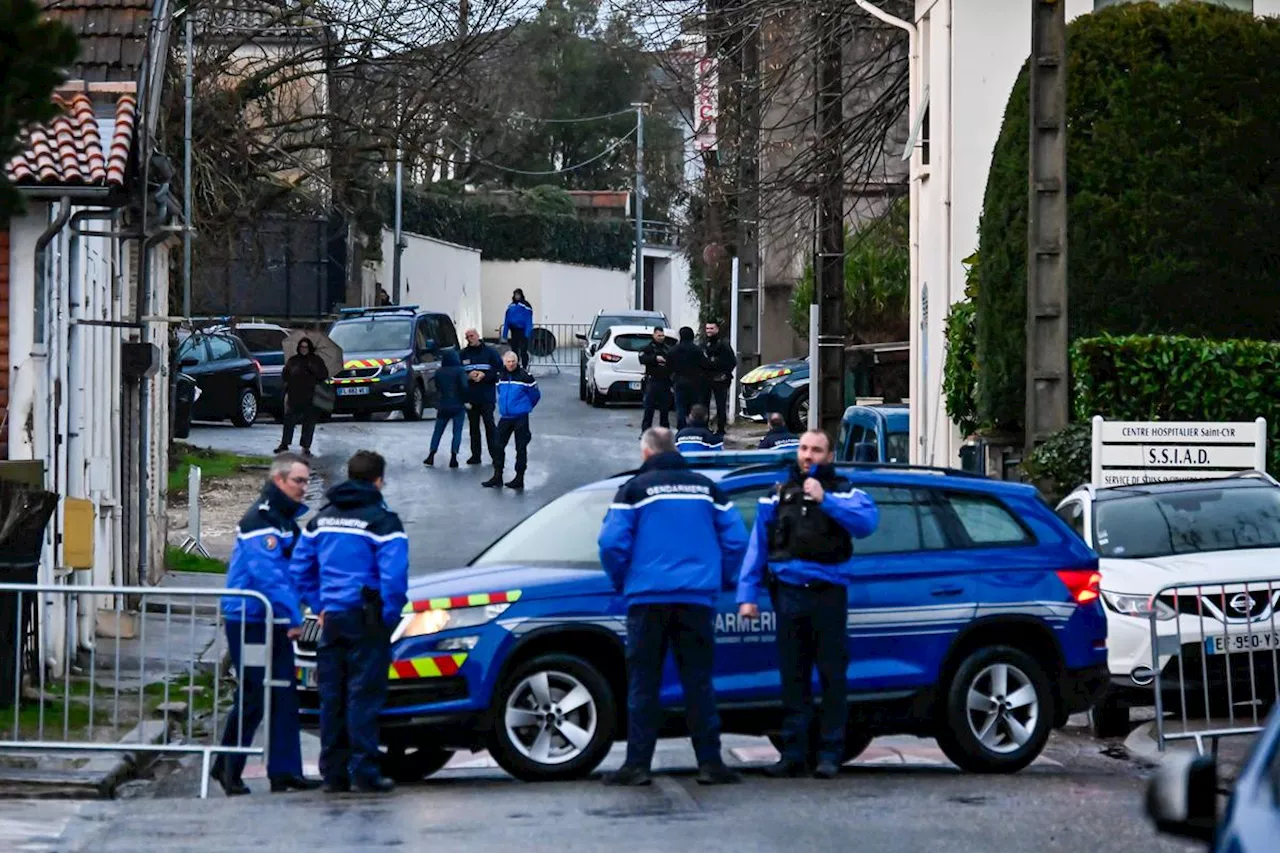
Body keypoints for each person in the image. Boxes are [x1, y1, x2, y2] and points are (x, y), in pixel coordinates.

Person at [598, 428, 749, 787]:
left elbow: (610, 543)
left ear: (647, 452)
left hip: (647, 599)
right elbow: (736, 541)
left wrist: (624, 580)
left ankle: (637, 765)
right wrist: (723, 579)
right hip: (696, 600)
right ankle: (710, 764)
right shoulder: (706, 488)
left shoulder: (634, 489)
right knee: (698, 682)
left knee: (644, 683)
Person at [737, 430, 879, 780]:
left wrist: (826, 500)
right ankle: (793, 754)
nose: (807, 455)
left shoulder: (845, 491)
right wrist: (746, 596)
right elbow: (758, 545)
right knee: (793, 678)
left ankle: (830, 754)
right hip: (788, 595)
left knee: (832, 677)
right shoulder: (777, 494)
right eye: (803, 448)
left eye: (816, 450)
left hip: (827, 595)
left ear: (829, 456)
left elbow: (867, 524)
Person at [290, 451, 408, 794]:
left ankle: (334, 774)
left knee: (333, 697)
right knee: (363, 696)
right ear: (378, 481)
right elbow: (395, 580)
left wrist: (320, 605)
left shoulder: (321, 519)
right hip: (366, 618)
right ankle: (366, 771)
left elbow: (300, 570)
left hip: (332, 620)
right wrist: (387, 618)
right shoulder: (383, 522)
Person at [213, 452, 320, 796]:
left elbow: (300, 572)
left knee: (285, 693)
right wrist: (293, 615)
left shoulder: (284, 520)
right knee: (255, 692)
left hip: (272, 618)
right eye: (299, 481)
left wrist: (320, 607)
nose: (305, 488)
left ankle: (285, 772)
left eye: (307, 481)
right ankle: (228, 767)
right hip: (251, 619)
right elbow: (268, 576)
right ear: (279, 480)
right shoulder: (261, 520)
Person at [483, 350, 541, 491]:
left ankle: (519, 477)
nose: (510, 364)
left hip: (520, 417)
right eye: (508, 362)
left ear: (517, 362)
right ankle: (498, 475)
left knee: (520, 447)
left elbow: (535, 395)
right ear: (504, 362)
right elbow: (500, 392)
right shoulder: (500, 376)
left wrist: (525, 407)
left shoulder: (525, 377)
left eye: (513, 362)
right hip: (505, 417)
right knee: (498, 445)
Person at [276, 337, 329, 456]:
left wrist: (313, 369)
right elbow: (285, 375)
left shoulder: (316, 360)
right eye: (301, 347)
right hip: (294, 395)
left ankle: (306, 447)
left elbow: (323, 375)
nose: (303, 349)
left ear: (310, 348)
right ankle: (284, 443)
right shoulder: (293, 360)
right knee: (289, 420)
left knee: (309, 423)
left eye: (306, 347)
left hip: (311, 396)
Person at [459, 328, 502, 465]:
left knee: (490, 426)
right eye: (467, 337)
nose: (469, 339)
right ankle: (475, 455)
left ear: (478, 336)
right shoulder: (463, 354)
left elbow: (499, 370)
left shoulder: (490, 353)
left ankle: (495, 455)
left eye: (471, 336)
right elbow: (458, 374)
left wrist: (485, 375)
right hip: (471, 397)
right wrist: (467, 376)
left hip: (486, 396)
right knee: (473, 428)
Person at [425, 348, 468, 468]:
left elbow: (436, 387)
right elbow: (464, 387)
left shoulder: (439, 372)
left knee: (438, 431)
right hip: (458, 406)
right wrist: (466, 400)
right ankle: (453, 457)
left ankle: (431, 455)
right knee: (457, 432)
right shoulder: (460, 371)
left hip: (443, 406)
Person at [667, 326, 711, 429]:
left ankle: (682, 429)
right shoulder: (697, 350)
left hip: (679, 381)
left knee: (680, 407)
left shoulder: (673, 350)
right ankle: (695, 427)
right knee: (695, 406)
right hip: (696, 382)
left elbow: (668, 367)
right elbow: (705, 365)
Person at [701, 321, 737, 435]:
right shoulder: (704, 344)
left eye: (711, 328)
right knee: (704, 404)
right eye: (707, 328)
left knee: (721, 405)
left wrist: (724, 374)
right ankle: (704, 427)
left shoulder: (723, 344)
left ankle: (721, 428)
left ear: (717, 329)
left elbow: (732, 361)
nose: (709, 331)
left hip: (720, 379)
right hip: (706, 379)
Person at [638, 327, 673, 434]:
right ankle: (646, 431)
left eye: (662, 335)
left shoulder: (667, 348)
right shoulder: (648, 348)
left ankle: (664, 431)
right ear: (654, 335)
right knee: (649, 408)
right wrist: (655, 359)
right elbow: (641, 359)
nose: (661, 338)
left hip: (665, 381)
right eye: (659, 335)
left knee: (665, 409)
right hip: (652, 380)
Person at [502, 288, 535, 371]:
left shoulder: (526, 306)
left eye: (518, 295)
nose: (517, 296)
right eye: (515, 295)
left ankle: (524, 368)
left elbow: (528, 320)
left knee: (523, 350)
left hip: (523, 331)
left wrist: (527, 333)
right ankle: (515, 367)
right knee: (514, 350)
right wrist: (504, 334)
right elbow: (507, 320)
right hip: (514, 331)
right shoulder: (511, 306)